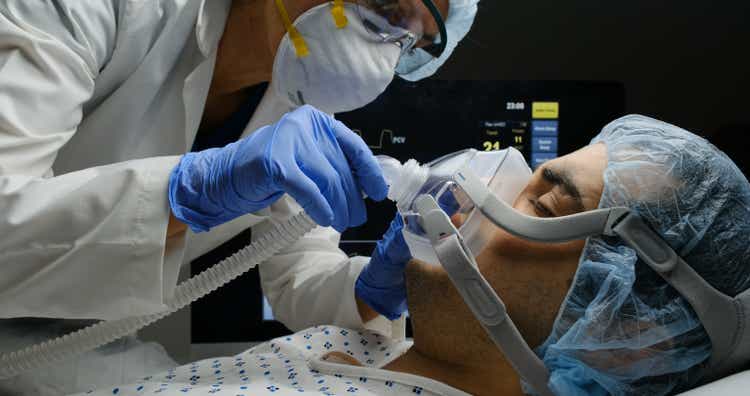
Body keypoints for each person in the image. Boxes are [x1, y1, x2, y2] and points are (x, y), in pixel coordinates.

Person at [65, 115, 750, 395]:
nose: (487, 188)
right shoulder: (364, 345)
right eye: (533, 170)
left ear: (626, 333)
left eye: (543, 201)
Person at [0, 0, 479, 393]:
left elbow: (297, 274)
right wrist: (188, 191)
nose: (384, 57)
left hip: (64, 340)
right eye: (388, 8)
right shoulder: (104, 9)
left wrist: (373, 287)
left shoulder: (295, 104)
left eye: (410, 42)